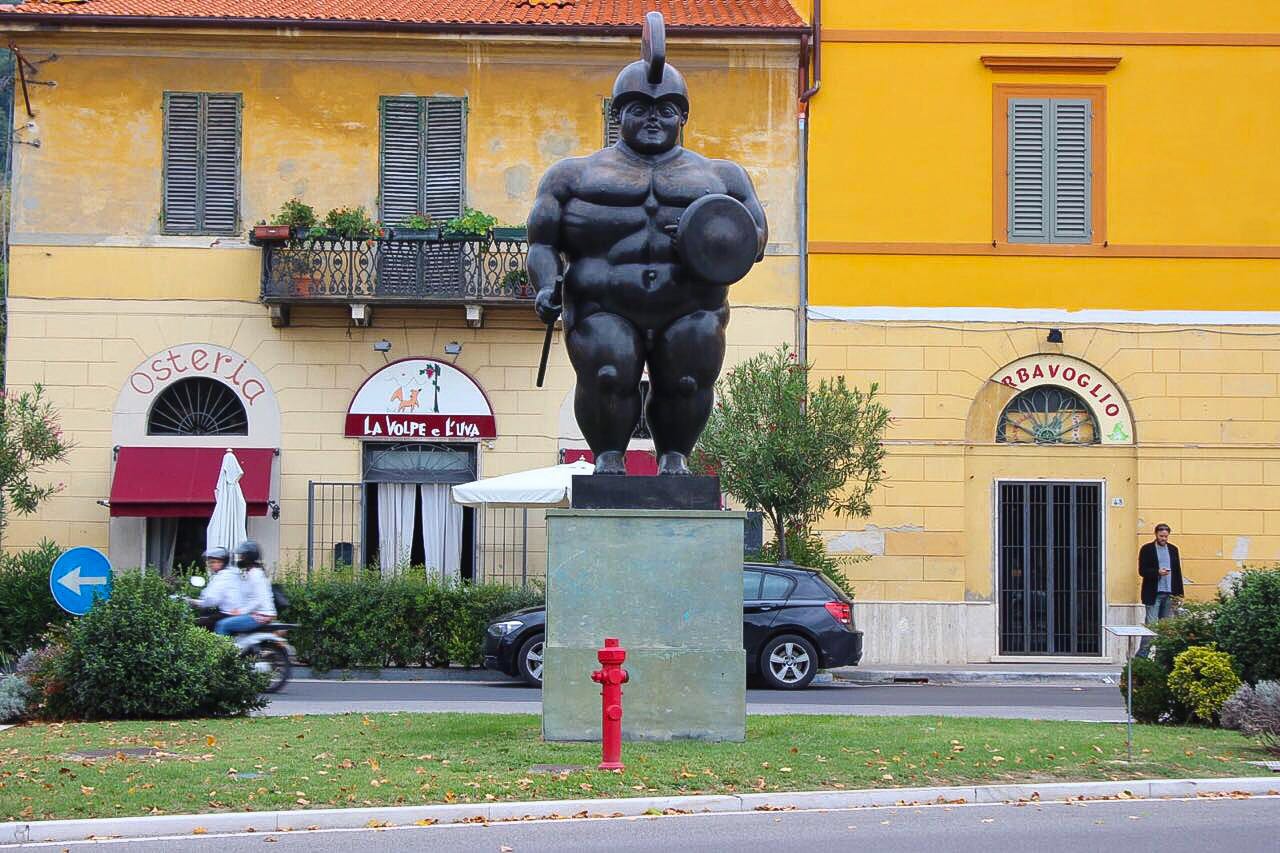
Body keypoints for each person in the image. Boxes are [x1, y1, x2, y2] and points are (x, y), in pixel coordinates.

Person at [527, 12, 768, 476]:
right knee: (608, 373)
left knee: (685, 380)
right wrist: (543, 286)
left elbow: (754, 239)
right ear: (617, 114)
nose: (653, 119)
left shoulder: (722, 177)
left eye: (665, 109)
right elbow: (542, 241)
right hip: (603, 303)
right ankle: (608, 458)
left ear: (684, 115)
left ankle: (675, 458)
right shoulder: (572, 176)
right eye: (639, 108)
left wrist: (706, 239)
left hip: (690, 305)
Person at [1137, 523, 1183, 657]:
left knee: (1166, 628)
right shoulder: (1147, 549)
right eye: (1161, 536)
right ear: (1156, 534)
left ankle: (1162, 657)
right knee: (1151, 627)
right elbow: (1142, 570)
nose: (1164, 538)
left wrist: (1179, 594)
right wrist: (1157, 572)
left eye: (1166, 536)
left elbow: (1177, 572)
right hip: (1153, 593)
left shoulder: (1173, 549)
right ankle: (1142, 656)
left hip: (1170, 593)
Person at [214, 539, 277, 636]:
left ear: (249, 557)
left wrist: (241, 611)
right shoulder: (251, 573)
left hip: (260, 615)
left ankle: (223, 651)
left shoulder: (255, 574)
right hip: (255, 614)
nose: (240, 559)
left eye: (242, 556)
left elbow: (257, 599)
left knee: (222, 625)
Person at [190, 546, 237, 629]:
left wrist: (193, 602)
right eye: (210, 562)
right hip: (230, 612)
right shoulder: (230, 573)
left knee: (197, 624)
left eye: (213, 562)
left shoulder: (223, 576)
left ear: (222, 562)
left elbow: (212, 599)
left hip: (229, 613)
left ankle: (221, 642)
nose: (210, 565)